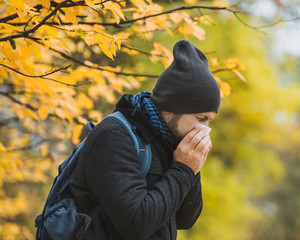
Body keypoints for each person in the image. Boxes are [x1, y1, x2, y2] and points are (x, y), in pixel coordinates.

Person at [69, 39, 221, 240]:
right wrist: (184, 169)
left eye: (209, 120)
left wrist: (191, 167)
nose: (204, 130)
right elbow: (136, 224)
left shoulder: (170, 142)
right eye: (201, 118)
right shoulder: (114, 136)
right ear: (173, 108)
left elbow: (185, 219)